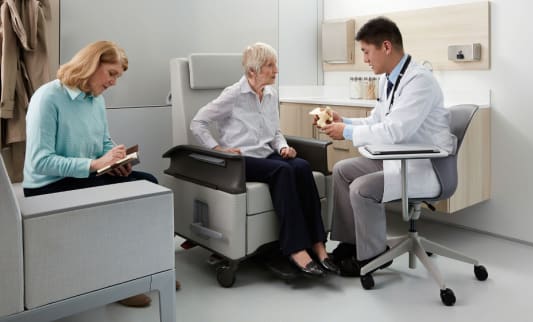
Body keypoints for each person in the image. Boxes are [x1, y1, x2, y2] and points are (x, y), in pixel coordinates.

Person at [22, 40, 180, 307]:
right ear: (91, 65)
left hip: (84, 175)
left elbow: (102, 142)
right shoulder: (48, 98)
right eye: (111, 73)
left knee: (150, 185)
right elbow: (40, 161)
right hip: (48, 186)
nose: (114, 82)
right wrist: (95, 165)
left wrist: (115, 157)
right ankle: (120, 282)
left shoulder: (95, 100)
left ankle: (152, 267)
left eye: (118, 76)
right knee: (125, 201)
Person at [318, 17, 457, 276]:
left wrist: (346, 132)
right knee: (342, 170)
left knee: (361, 188)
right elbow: (378, 121)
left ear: (386, 46)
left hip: (426, 166)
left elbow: (395, 130)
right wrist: (343, 121)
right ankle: (352, 243)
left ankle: (373, 256)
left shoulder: (419, 81)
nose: (365, 59)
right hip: (398, 157)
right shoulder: (387, 79)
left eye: (366, 52)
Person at [191, 42, 339, 277]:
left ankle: (318, 245)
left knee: (300, 166)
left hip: (266, 156)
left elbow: (275, 132)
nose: (276, 70)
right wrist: (218, 149)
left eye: (275, 64)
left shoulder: (270, 94)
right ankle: (295, 249)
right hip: (239, 161)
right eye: (270, 66)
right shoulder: (233, 95)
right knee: (282, 171)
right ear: (252, 71)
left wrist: (283, 148)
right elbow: (197, 122)